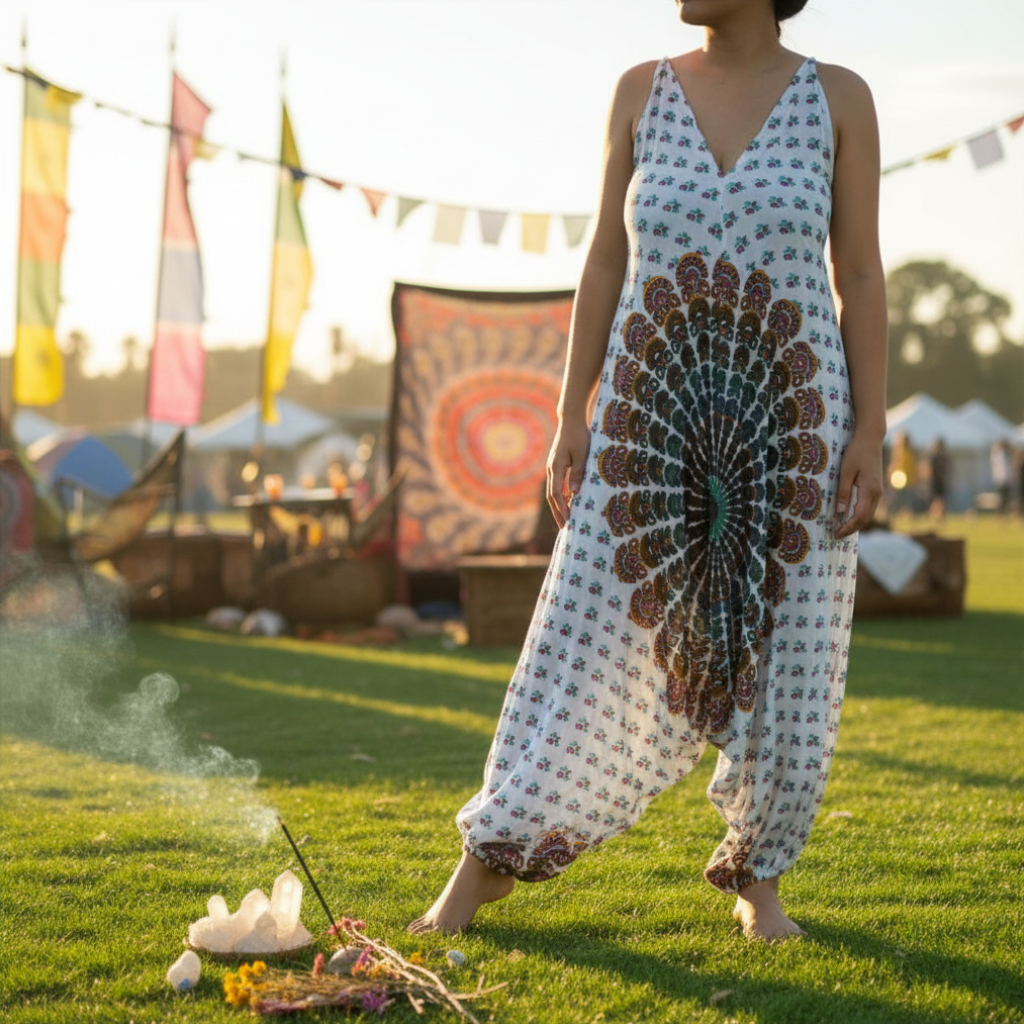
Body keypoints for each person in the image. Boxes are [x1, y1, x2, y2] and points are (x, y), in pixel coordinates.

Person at [409, 0, 886, 942]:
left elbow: (860, 273)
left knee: (782, 652)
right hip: (646, 407)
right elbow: (604, 257)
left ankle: (760, 879)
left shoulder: (839, 98)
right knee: (575, 630)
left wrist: (870, 429)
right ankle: (486, 861)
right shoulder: (639, 91)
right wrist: (568, 409)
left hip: (790, 409)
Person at [926, 436, 950, 521]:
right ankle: (934, 515)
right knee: (936, 499)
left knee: (941, 499)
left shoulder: (944, 457)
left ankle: (940, 515)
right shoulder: (933, 457)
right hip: (934, 480)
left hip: (941, 480)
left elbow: (947, 469)